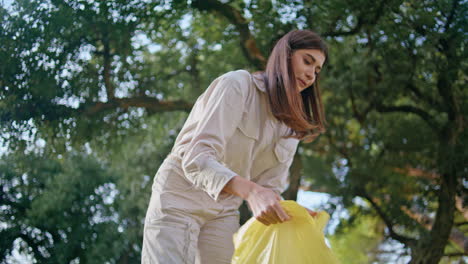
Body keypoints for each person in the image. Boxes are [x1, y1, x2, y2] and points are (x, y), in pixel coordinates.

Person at [141, 29, 328, 264]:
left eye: (317, 70)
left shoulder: (291, 129)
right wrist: (251, 191)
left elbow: (269, 188)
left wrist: (292, 213)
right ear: (285, 56)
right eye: (307, 61)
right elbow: (196, 158)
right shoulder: (238, 85)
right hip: (179, 196)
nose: (311, 75)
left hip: (224, 211)